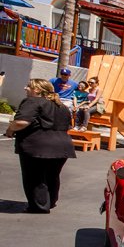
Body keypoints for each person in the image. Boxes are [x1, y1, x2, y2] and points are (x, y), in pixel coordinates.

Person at [4, 79, 76, 213]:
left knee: (34, 177)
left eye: (29, 86)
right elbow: (69, 125)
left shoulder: (32, 102)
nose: (26, 88)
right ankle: (50, 201)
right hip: (62, 146)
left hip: (37, 146)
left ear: (37, 90)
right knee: (52, 176)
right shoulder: (62, 106)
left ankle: (39, 206)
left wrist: (10, 129)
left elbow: (21, 121)